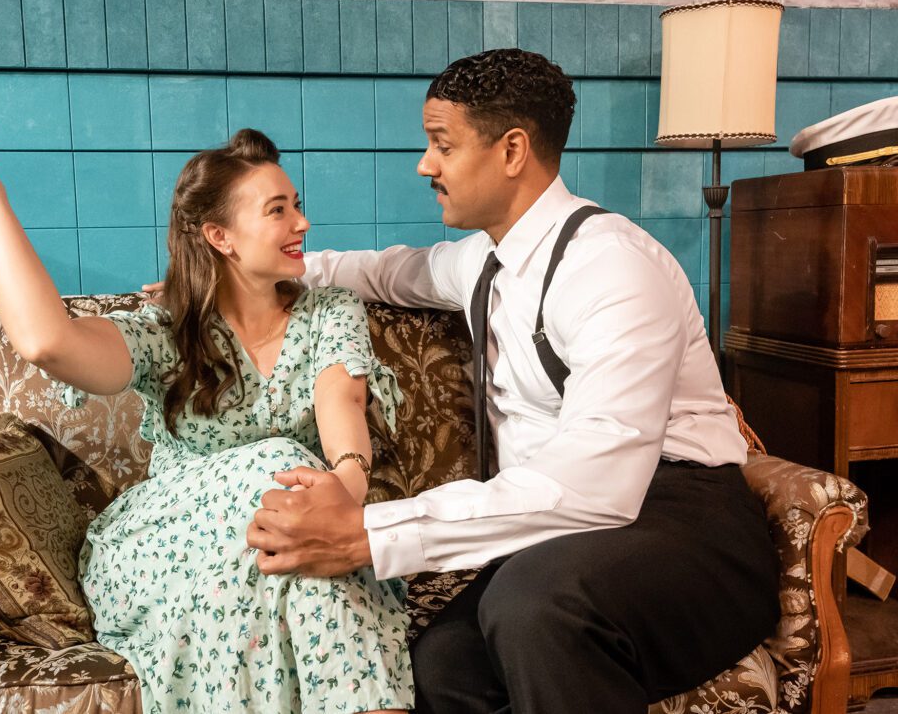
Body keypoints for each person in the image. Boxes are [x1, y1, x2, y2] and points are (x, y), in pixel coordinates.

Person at [243, 49, 780, 713]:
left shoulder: (612, 268)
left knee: (535, 609)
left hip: (683, 524)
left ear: (512, 150)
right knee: (442, 664)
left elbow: (599, 486)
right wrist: (256, 271)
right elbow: (384, 271)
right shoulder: (480, 261)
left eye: (442, 145)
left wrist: (370, 532)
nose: (425, 165)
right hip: (561, 532)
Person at [0, 130, 415, 714]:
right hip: (167, 545)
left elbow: (341, 399)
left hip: (283, 537)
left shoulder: (330, 310)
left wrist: (345, 494)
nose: (302, 223)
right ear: (219, 236)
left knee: (310, 561)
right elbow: (45, 341)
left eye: (298, 206)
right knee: (282, 471)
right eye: (278, 210)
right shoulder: (165, 332)